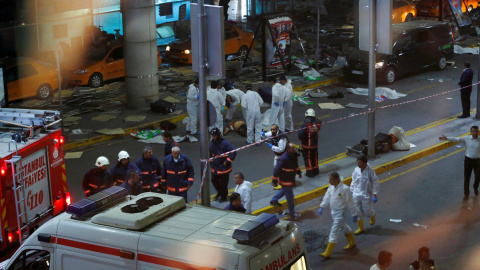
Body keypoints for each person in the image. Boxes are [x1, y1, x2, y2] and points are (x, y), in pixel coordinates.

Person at [318, 171, 357, 259]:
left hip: (341, 212)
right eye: (329, 180)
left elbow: (350, 202)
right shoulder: (331, 187)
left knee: (334, 230)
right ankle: (352, 243)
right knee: (344, 226)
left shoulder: (345, 189)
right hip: (334, 212)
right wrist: (322, 207)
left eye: (331, 180)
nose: (329, 181)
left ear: (337, 180)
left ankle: (327, 252)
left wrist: (354, 214)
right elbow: (327, 196)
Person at [439, 126, 480, 200]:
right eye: (473, 131)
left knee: (478, 177)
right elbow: (457, 139)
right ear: (470, 132)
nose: (475, 133)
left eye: (476, 131)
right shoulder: (466, 138)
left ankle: (475, 187)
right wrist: (447, 138)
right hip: (468, 161)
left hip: (478, 161)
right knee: (467, 178)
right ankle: (466, 194)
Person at [269, 143, 302, 220]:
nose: (294, 149)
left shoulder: (293, 156)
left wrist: (299, 172)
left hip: (290, 179)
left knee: (285, 191)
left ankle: (274, 200)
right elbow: (277, 169)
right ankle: (292, 214)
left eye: (294, 147)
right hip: (286, 181)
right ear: (288, 149)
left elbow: (295, 165)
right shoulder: (284, 158)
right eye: (293, 148)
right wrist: (274, 180)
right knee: (290, 198)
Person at [351, 155, 380, 235]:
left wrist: (375, 194)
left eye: (359, 163)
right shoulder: (356, 170)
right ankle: (361, 228)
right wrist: (352, 190)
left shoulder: (370, 171)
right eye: (358, 162)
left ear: (364, 163)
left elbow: (375, 183)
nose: (358, 164)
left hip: (366, 195)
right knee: (358, 212)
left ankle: (372, 215)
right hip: (356, 194)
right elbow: (353, 180)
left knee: (367, 212)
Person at [210, 128, 236, 202]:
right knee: (214, 180)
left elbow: (233, 152)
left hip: (224, 168)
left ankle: (223, 196)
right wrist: (210, 162)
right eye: (212, 136)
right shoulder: (212, 143)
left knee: (223, 184)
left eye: (214, 136)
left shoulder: (225, 143)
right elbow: (211, 154)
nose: (213, 137)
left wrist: (228, 161)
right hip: (215, 167)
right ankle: (220, 192)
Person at [262, 124, 288, 190]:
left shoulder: (281, 138)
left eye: (273, 129)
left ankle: (281, 184)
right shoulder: (275, 132)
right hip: (278, 156)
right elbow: (270, 133)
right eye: (271, 129)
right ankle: (278, 181)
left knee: (280, 170)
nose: (272, 131)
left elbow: (281, 149)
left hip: (282, 156)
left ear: (277, 129)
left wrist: (272, 147)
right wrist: (264, 134)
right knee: (276, 168)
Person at [298, 108, 322, 177]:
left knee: (308, 158)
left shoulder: (305, 124)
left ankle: (310, 172)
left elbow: (300, 135)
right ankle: (316, 170)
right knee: (314, 157)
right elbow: (320, 121)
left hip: (307, 145)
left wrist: (302, 141)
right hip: (315, 144)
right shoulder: (317, 123)